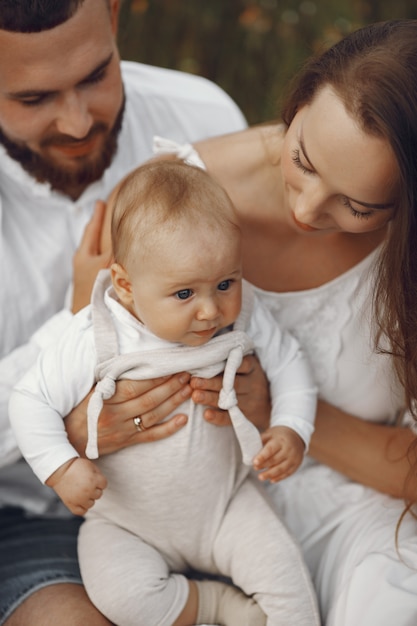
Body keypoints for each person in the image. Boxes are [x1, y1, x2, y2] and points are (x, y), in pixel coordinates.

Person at [83, 18, 417, 626]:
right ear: (298, 101)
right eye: (303, 160)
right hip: (173, 510)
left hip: (355, 515)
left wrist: (277, 412)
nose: (307, 210)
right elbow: (80, 396)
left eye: (359, 206)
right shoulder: (167, 202)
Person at [0, 1, 248, 625]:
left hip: (217, 492)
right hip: (33, 520)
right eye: (33, 100)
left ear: (113, 15)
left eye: (95, 76)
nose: (79, 122)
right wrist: (79, 319)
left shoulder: (204, 118)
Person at [10, 160, 319, 626]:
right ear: (126, 286)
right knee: (121, 596)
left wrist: (291, 425)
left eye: (224, 283)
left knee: (288, 581)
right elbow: (29, 400)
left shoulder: (243, 313)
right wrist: (62, 466)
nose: (211, 310)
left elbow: (292, 363)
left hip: (226, 505)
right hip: (127, 523)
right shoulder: (97, 334)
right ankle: (212, 604)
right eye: (184, 295)